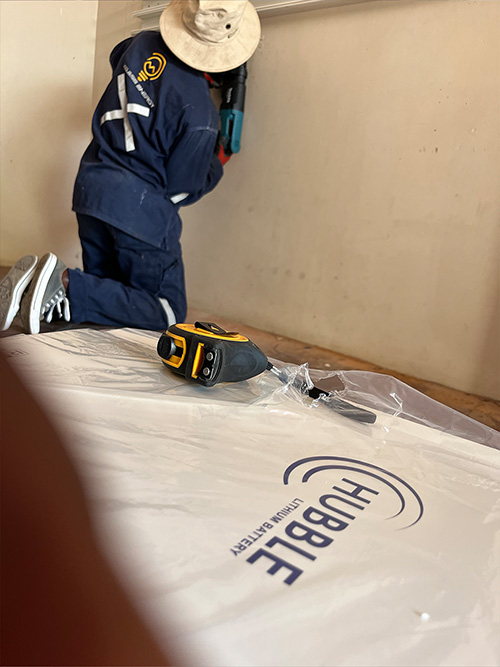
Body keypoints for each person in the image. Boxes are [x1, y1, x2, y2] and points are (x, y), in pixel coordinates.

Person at [0, 0, 261, 335]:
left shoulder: (140, 43)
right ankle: (63, 282)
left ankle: (40, 292)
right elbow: (181, 189)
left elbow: (121, 63)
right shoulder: (201, 116)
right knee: (166, 311)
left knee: (106, 301)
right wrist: (216, 163)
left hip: (91, 189)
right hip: (138, 211)